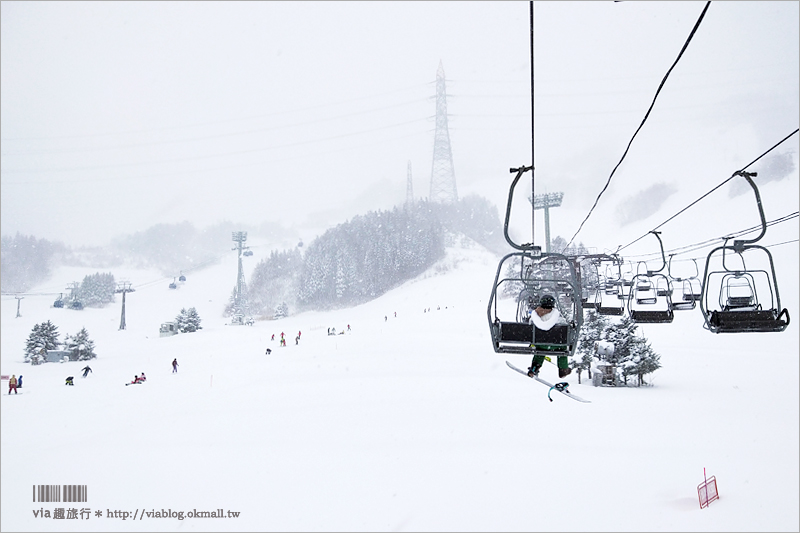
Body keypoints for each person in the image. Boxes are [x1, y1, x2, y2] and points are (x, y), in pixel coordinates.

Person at [527, 294, 572, 378]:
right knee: (562, 349)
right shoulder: (557, 317)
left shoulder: (535, 316)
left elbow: (529, 326)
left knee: (539, 350)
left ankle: (534, 367)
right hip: (556, 344)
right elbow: (565, 328)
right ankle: (563, 369)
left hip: (541, 344)